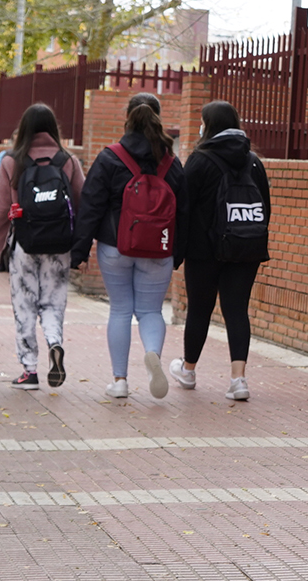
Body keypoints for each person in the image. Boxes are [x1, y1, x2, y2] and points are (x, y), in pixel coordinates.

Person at [71, 93, 187, 401]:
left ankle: (120, 381)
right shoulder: (171, 163)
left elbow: (91, 206)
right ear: (158, 118)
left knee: (120, 310)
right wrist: (178, 253)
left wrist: (79, 252)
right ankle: (152, 355)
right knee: (150, 311)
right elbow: (185, 211)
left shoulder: (110, 157)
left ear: (127, 118)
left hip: (115, 247)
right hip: (158, 250)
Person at [169, 99, 268, 402]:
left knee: (199, 309)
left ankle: (188, 371)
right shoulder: (254, 162)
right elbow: (264, 206)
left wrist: (178, 251)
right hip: (245, 247)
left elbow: (183, 208)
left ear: (208, 126)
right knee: (237, 309)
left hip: (204, 250)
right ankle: (238, 380)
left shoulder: (200, 161)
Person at [0, 104, 84, 388]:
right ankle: (54, 342)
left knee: (25, 305)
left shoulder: (11, 161)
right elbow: (82, 205)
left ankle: (29, 371)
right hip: (59, 246)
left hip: (24, 245)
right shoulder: (68, 161)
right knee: (53, 302)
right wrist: (81, 247)